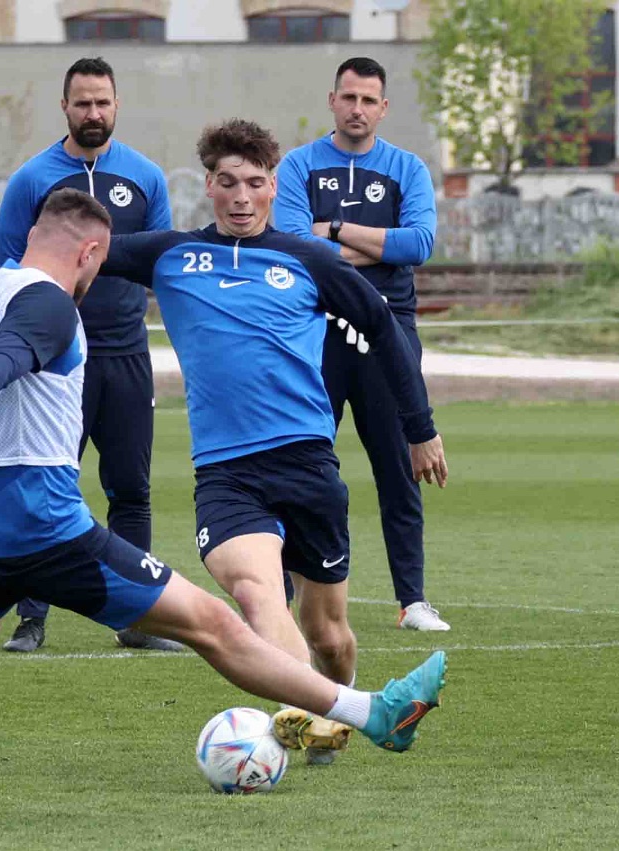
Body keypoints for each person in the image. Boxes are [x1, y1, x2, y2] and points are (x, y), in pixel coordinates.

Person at [0, 189, 447, 816]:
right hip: (41, 522)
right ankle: (375, 713)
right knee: (215, 625)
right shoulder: (51, 304)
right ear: (89, 251)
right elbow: (7, 356)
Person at [100, 119, 448, 763]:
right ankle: (313, 715)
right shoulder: (170, 254)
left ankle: (329, 718)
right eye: (228, 182)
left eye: (255, 183)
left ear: (273, 187)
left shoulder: (309, 259)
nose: (241, 196)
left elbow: (384, 328)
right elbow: (78, 246)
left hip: (308, 465)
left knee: (330, 634)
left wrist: (420, 429)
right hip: (227, 474)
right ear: (208, 185)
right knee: (258, 594)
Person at [0, 56, 179, 653]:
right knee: (43, 485)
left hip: (126, 354)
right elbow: (8, 270)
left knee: (131, 489)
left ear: (117, 105)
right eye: (83, 103)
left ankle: (137, 620)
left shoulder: (146, 178)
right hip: (56, 359)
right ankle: (31, 618)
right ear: (65, 107)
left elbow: (161, 264)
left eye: (102, 102)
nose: (93, 113)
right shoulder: (32, 180)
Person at [273, 57, 448, 632]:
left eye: (368, 100)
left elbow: (418, 243)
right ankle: (279, 592)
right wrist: (373, 246)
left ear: (383, 107)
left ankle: (412, 600)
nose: (357, 109)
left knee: (398, 466)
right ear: (332, 100)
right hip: (314, 330)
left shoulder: (406, 167)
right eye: (348, 97)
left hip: (387, 330)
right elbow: (294, 244)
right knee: (297, 460)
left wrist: (334, 231)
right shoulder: (299, 165)